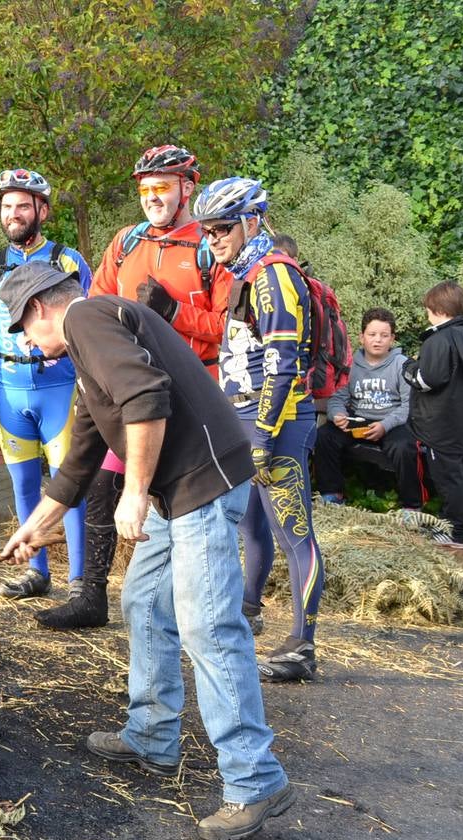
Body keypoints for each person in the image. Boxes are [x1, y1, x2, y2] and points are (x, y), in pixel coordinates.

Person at [0, 264, 294, 840]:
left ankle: (254, 778)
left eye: (23, 330)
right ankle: (153, 733)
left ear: (38, 309)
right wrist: (31, 530)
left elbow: (146, 396)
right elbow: (78, 463)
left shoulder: (86, 317)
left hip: (201, 484)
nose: (28, 344)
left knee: (208, 625)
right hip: (176, 492)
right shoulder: (91, 352)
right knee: (141, 601)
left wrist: (133, 492)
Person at [47, 146, 231, 631]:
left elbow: (233, 327)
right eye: (145, 189)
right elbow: (91, 306)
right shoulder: (126, 242)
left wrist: (175, 313)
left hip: (191, 397)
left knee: (176, 497)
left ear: (186, 188)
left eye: (162, 188)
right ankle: (91, 595)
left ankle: (199, 601)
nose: (152, 198)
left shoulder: (210, 246)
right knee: (103, 484)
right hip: (127, 393)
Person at [194, 176, 325, 682]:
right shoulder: (247, 273)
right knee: (250, 527)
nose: (213, 239)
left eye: (222, 228)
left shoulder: (274, 277)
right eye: (207, 231)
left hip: (277, 421)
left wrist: (264, 438)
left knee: (294, 535)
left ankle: (303, 646)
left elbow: (283, 365)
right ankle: (248, 610)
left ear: (251, 221)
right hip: (244, 417)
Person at [0, 168, 91, 609]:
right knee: (23, 485)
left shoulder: (68, 262)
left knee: (69, 485)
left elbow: (89, 324)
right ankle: (36, 572)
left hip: (59, 390)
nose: (13, 214)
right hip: (9, 390)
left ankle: (80, 580)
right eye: (6, 207)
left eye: (23, 206)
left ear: (42, 209)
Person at [314, 308, 422, 510]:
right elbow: (338, 397)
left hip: (391, 420)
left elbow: (408, 406)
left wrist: (384, 425)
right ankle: (332, 496)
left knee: (404, 446)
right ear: (362, 337)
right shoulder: (351, 364)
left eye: (384, 335)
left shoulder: (402, 365)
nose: (378, 340)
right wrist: (337, 414)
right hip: (357, 420)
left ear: (392, 339)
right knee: (324, 436)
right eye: (372, 334)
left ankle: (411, 506)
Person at [402, 280, 463, 549]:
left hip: (438, 422)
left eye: (429, 309)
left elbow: (428, 380)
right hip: (459, 419)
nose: (427, 314)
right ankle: (452, 522)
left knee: (447, 476)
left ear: (440, 310)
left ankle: (456, 532)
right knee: (457, 472)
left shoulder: (438, 340)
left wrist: (408, 368)